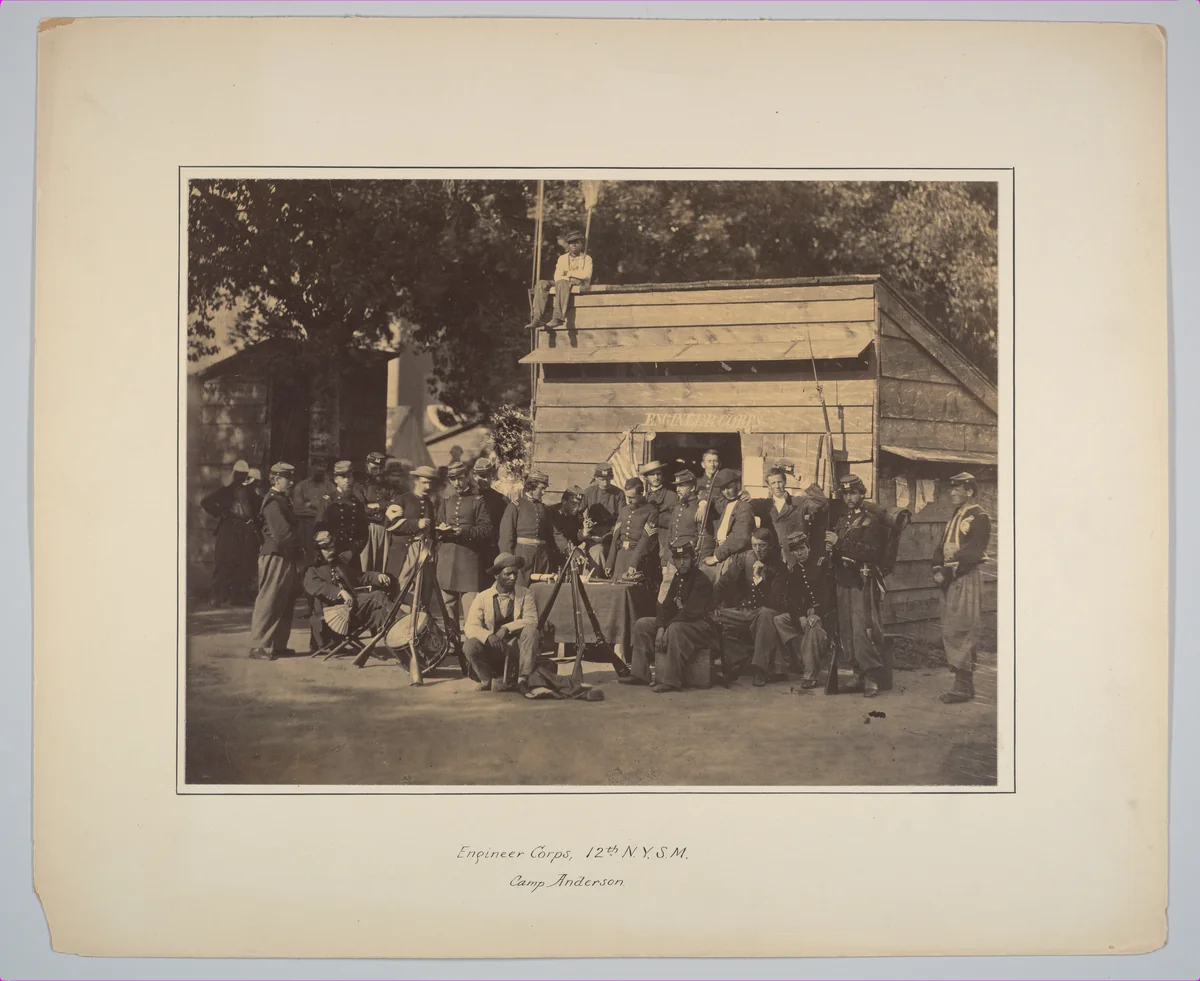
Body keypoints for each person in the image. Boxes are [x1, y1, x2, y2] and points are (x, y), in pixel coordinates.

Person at [623, 541, 718, 693]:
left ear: (693, 559)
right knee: (642, 624)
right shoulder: (678, 577)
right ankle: (640, 673)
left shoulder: (701, 580)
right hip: (681, 624)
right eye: (678, 559)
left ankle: (672, 681)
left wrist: (665, 628)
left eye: (685, 559)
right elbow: (665, 606)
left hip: (701, 627)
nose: (682, 563)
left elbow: (691, 613)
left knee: (674, 628)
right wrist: (660, 627)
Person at [826, 473, 889, 698]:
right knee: (846, 630)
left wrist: (839, 543)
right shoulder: (842, 520)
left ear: (862, 494)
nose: (849, 497)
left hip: (862, 581)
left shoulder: (871, 521)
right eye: (845, 493)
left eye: (853, 493)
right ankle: (857, 673)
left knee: (863, 630)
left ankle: (872, 676)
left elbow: (872, 553)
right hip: (843, 580)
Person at [933, 472, 992, 703]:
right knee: (950, 628)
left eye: (958, 490)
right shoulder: (955, 516)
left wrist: (949, 570)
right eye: (952, 489)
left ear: (970, 491)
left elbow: (975, 552)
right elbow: (941, 547)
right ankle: (961, 683)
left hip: (965, 577)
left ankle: (963, 686)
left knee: (963, 627)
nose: (953, 493)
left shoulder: (979, 517)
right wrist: (937, 568)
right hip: (949, 579)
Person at [714, 526, 790, 685]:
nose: (758, 550)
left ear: (770, 545)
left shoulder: (779, 567)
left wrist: (758, 580)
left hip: (767, 613)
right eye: (754, 545)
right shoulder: (746, 559)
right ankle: (740, 658)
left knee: (765, 614)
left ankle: (760, 669)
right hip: (745, 610)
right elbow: (725, 582)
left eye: (762, 545)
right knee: (713, 616)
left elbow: (774, 601)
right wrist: (709, 603)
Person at [435, 461, 494, 651]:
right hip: (447, 559)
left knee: (471, 608)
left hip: (468, 560)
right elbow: (437, 525)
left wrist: (463, 532)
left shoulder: (478, 501)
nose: (457, 483)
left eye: (460, 478)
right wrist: (441, 530)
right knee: (448, 605)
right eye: (453, 480)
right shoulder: (446, 502)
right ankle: (452, 643)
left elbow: (486, 529)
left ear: (467, 476)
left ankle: (472, 645)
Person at [302, 529, 394, 651]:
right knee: (377, 596)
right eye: (326, 549)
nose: (331, 551)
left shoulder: (338, 564)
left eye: (332, 547)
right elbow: (318, 587)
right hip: (332, 617)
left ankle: (403, 642)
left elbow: (359, 577)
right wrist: (340, 592)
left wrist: (377, 576)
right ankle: (408, 627)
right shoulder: (311, 570)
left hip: (351, 613)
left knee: (379, 614)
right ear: (318, 551)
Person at [463, 553, 542, 692]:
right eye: (508, 574)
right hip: (492, 651)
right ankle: (486, 678)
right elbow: (470, 626)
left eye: (515, 574)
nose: (513, 578)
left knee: (531, 631)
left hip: (516, 650)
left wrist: (507, 628)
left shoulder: (525, 593)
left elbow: (532, 620)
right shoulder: (483, 597)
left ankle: (523, 678)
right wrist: (488, 636)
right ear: (496, 575)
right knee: (469, 644)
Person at [248, 462, 301, 660]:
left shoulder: (282, 500)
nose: (292, 482)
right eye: (288, 478)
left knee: (284, 601)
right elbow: (283, 534)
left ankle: (278, 645)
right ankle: (258, 645)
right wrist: (299, 548)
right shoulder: (272, 502)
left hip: (285, 555)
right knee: (269, 599)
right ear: (277, 479)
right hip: (276, 555)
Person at [771, 530, 827, 689]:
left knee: (811, 624)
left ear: (808, 547)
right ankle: (800, 658)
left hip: (826, 615)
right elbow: (793, 599)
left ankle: (810, 675)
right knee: (779, 620)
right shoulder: (795, 570)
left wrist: (816, 613)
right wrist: (800, 616)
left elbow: (827, 594)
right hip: (806, 613)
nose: (800, 552)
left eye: (802, 548)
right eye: (796, 550)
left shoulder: (821, 563)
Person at [200, 459, 260, 607]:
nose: (242, 477)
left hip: (245, 529)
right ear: (234, 475)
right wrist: (221, 513)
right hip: (229, 529)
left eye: (244, 475)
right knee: (224, 562)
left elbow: (259, 505)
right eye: (239, 474)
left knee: (244, 562)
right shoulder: (225, 491)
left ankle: (239, 597)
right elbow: (205, 502)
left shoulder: (250, 492)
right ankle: (217, 597)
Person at [749, 467, 819, 570]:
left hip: (793, 557)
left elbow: (821, 502)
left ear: (785, 482)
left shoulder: (798, 502)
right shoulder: (763, 505)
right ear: (768, 486)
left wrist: (804, 484)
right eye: (773, 483)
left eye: (779, 482)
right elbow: (742, 510)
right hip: (771, 557)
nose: (777, 486)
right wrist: (744, 496)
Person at [498, 470, 557, 587]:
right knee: (520, 590)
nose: (544, 492)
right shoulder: (515, 506)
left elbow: (553, 534)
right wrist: (508, 562)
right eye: (541, 488)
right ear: (531, 487)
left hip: (542, 558)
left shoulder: (544, 509)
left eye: (545, 488)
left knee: (541, 590)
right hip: (522, 557)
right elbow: (506, 538)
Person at [527, 229, 593, 331]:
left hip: (578, 284)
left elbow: (586, 275)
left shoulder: (586, 258)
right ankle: (537, 317)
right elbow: (557, 276)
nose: (573, 245)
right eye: (571, 243)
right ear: (568, 245)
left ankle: (557, 317)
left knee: (562, 282)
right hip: (563, 282)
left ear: (581, 244)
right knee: (541, 283)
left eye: (576, 242)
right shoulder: (562, 258)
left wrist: (568, 273)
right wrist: (570, 277)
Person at [291, 457, 335, 609]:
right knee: (307, 563)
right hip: (307, 530)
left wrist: (311, 507)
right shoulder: (301, 487)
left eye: (323, 465)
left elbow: (333, 507)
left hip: (325, 530)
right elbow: (297, 509)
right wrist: (319, 510)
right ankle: (308, 602)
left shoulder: (330, 487)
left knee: (324, 563)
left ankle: (322, 600)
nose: (320, 469)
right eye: (318, 465)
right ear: (312, 466)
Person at [385, 464, 440, 579]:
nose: (428, 486)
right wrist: (416, 524)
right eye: (424, 482)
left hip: (424, 551)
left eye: (430, 483)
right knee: (403, 586)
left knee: (423, 587)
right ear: (415, 480)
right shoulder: (402, 499)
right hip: (405, 551)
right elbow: (390, 524)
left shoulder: (430, 503)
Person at [606, 476, 660, 586]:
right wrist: (610, 562)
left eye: (632, 497)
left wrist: (634, 563)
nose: (629, 500)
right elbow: (615, 537)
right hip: (620, 559)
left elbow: (646, 540)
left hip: (637, 560)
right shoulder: (623, 510)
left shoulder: (651, 511)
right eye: (627, 497)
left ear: (641, 494)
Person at [702, 468, 754, 577]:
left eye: (729, 487)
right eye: (723, 489)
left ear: (737, 484)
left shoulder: (744, 506)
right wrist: (702, 503)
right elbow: (711, 496)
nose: (726, 491)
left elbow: (740, 537)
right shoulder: (725, 503)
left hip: (734, 556)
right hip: (723, 553)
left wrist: (716, 557)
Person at [323, 460, 369, 576]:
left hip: (351, 557)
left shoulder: (357, 503)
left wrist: (352, 552)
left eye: (349, 477)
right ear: (335, 479)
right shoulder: (328, 501)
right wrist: (329, 552)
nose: (347, 481)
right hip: (331, 557)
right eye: (343, 477)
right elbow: (318, 531)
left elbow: (363, 533)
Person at [658, 469, 709, 572]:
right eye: (677, 486)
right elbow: (670, 534)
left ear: (692, 488)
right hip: (673, 560)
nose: (677, 489)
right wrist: (665, 560)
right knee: (666, 587)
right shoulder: (677, 507)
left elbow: (703, 537)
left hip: (690, 561)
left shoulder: (699, 508)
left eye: (681, 486)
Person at [360, 450, 396, 573]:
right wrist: (385, 507)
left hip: (385, 530)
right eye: (374, 469)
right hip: (366, 530)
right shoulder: (360, 486)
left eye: (381, 469)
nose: (378, 472)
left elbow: (397, 505)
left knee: (383, 567)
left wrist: (377, 505)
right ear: (366, 468)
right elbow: (361, 508)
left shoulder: (390, 487)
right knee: (365, 565)